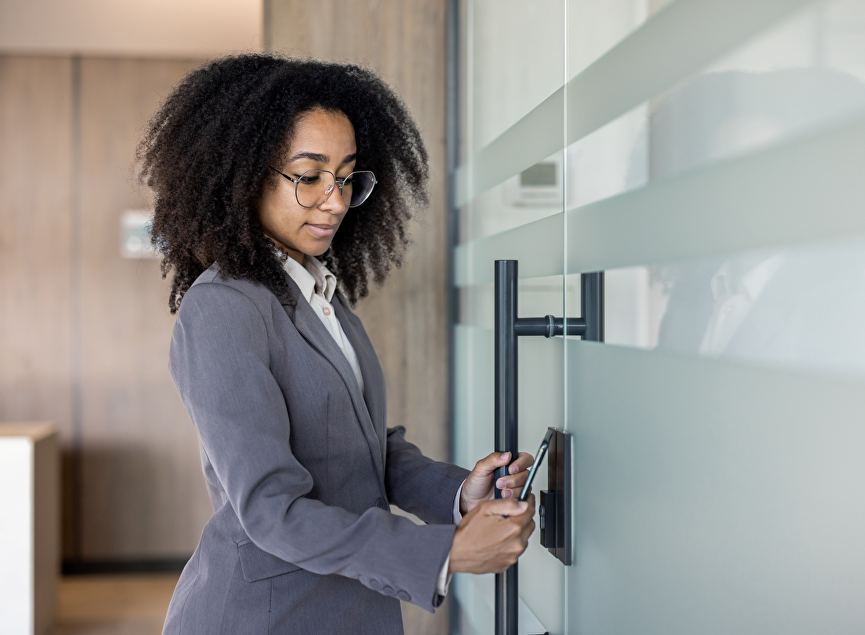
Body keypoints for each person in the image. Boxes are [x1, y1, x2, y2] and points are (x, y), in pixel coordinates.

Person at [137, 54, 536, 635]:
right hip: (265, 617)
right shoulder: (224, 307)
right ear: (243, 177)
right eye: (309, 175)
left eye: (347, 176)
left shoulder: (320, 294)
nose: (336, 200)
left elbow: (361, 450)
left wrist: (457, 493)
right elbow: (271, 511)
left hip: (344, 606)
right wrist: (442, 553)